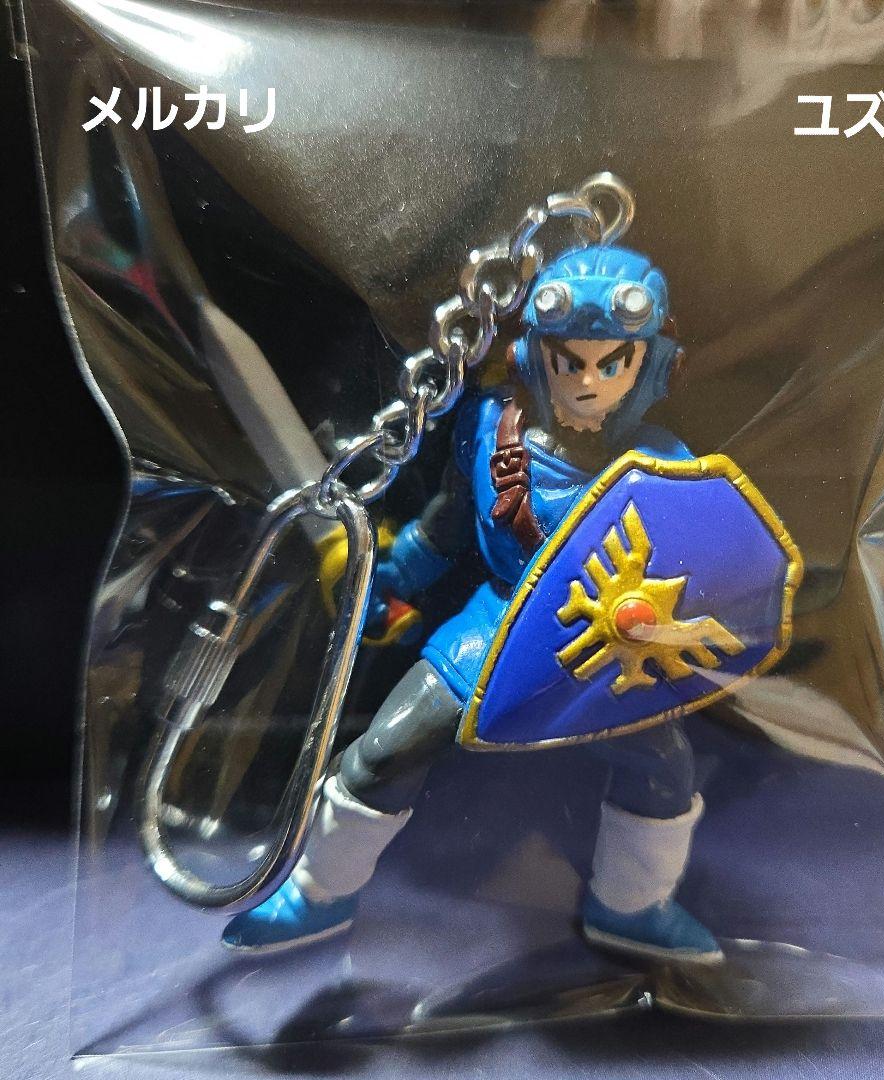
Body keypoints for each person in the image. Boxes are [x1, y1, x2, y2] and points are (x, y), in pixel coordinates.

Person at [222, 244, 723, 962]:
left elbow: (701, 571)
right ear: (533, 357)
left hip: (606, 646)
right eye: (569, 362)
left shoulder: (666, 468)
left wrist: (667, 619)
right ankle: (317, 893)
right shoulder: (491, 430)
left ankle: (634, 905)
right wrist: (388, 576)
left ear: (651, 365)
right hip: (496, 626)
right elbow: (447, 527)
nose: (587, 382)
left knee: (665, 766)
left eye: (612, 363)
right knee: (384, 753)